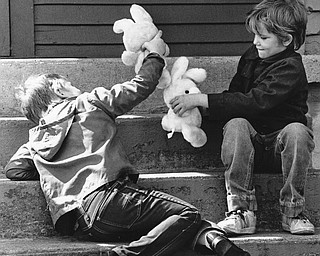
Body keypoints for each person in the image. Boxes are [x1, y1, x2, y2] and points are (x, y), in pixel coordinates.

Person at [4, 31, 250, 256]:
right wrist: (154, 57)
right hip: (108, 199)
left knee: (167, 224)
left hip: (80, 223)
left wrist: (58, 172)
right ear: (58, 88)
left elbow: (14, 169)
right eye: (69, 82)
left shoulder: (35, 140)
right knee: (187, 214)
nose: (74, 85)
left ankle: (216, 241)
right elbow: (138, 87)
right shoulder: (88, 103)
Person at [169, 0, 315, 236]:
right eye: (255, 36)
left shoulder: (291, 67)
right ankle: (241, 212)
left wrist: (203, 100)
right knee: (236, 124)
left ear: (286, 40)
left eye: (263, 38)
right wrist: (198, 112)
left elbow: (256, 102)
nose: (256, 42)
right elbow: (235, 98)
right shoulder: (251, 57)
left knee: (298, 130)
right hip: (248, 149)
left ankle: (293, 212)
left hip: (281, 150)